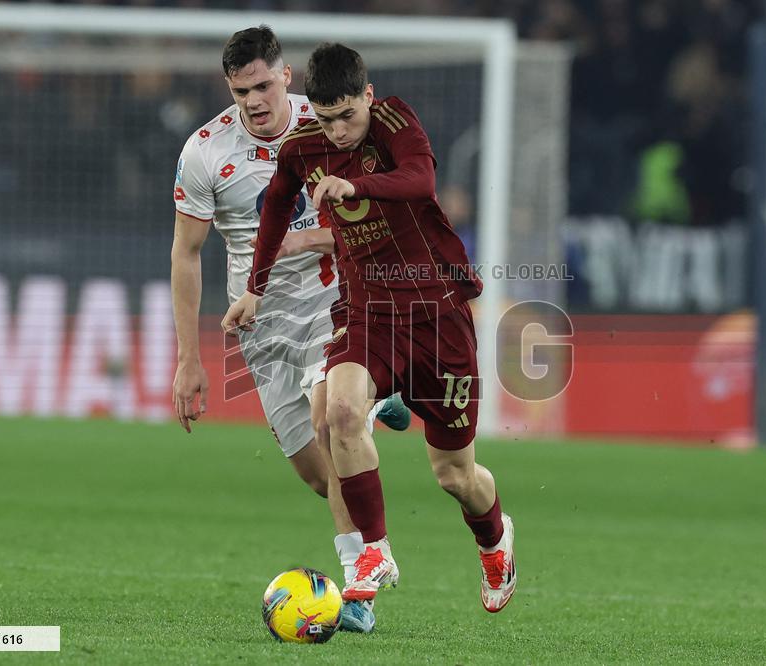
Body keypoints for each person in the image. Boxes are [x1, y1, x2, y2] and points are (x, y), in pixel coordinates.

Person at [228, 43, 516, 613]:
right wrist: (255, 287)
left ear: (368, 95)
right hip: (367, 313)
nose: (337, 132)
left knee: (455, 474)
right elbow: (276, 210)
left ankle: (494, 539)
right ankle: (374, 551)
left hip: (438, 316)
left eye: (348, 117)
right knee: (337, 412)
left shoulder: (395, 122)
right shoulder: (304, 148)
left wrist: (355, 187)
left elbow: (419, 181)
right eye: (327, 119)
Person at [169, 26, 410, 633]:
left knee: (333, 425)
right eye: (239, 89)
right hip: (262, 321)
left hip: (335, 297)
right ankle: (376, 405)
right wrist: (189, 359)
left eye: (261, 85)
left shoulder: (329, 123)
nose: (252, 100)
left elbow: (385, 209)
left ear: (285, 76)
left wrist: (313, 238)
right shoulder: (204, 152)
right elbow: (186, 254)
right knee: (314, 469)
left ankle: (358, 591)